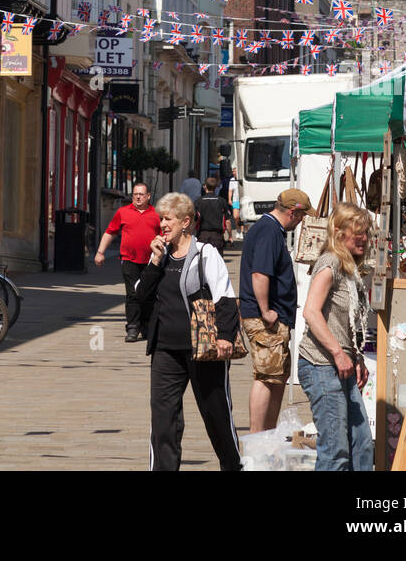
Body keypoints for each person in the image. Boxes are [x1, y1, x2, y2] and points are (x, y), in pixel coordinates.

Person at [136, 192, 242, 472]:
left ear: (185, 222)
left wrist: (225, 337)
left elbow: (225, 298)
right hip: (165, 349)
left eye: (167, 219)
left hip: (203, 348)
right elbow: (140, 295)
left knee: (216, 414)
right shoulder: (161, 254)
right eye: (161, 219)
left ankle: (233, 466)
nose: (163, 224)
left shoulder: (206, 254)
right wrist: (155, 260)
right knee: (163, 420)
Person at [298, 202, 374, 471]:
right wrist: (339, 353)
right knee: (335, 448)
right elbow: (311, 311)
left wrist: (357, 358)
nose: (364, 238)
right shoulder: (330, 262)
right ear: (339, 233)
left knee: (362, 443)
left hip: (342, 366)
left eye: (366, 232)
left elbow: (348, 324)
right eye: (358, 233)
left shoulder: (350, 268)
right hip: (320, 365)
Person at [238, 187, 312, 431]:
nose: (301, 222)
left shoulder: (269, 229)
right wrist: (266, 310)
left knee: (276, 375)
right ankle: (257, 437)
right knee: (267, 377)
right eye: (301, 217)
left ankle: (266, 434)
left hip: (271, 317)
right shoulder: (269, 231)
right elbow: (260, 274)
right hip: (265, 318)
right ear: (292, 212)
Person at [95, 183, 160, 341]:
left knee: (148, 294)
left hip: (151, 261)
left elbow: (165, 234)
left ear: (148, 196)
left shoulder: (156, 214)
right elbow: (110, 232)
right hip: (128, 259)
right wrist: (100, 252)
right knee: (132, 294)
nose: (138, 197)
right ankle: (132, 327)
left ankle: (146, 326)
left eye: (141, 194)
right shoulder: (123, 212)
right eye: (135, 194)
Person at [194, 176, 231, 255]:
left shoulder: (198, 201)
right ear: (216, 187)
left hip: (202, 236)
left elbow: (194, 221)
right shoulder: (222, 201)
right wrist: (230, 236)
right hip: (217, 237)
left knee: (202, 262)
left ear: (205, 187)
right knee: (217, 263)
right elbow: (227, 221)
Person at [227, 168, 242, 240]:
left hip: (243, 200)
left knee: (242, 217)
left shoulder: (242, 179)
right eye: (233, 171)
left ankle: (242, 232)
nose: (233, 172)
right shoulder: (232, 180)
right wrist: (229, 199)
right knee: (236, 216)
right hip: (235, 200)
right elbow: (230, 191)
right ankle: (238, 229)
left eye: (235, 171)